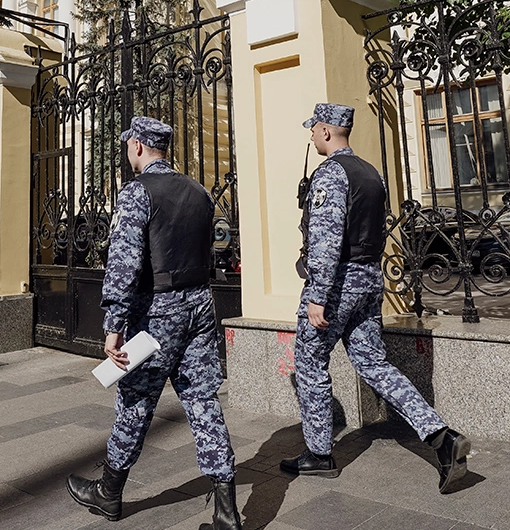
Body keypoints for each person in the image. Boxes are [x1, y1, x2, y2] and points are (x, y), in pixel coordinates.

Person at [283, 103, 471, 494]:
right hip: (369, 278)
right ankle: (441, 437)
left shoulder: (331, 173)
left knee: (310, 363)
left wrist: (318, 295)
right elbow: (380, 229)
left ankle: (319, 454)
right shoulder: (372, 173)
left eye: (313, 129)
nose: (311, 135)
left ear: (325, 131)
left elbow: (326, 240)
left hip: (337, 284)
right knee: (372, 363)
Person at [67, 116, 242, 529]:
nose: (127, 150)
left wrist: (113, 326)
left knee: (135, 402)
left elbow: (124, 265)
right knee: (203, 400)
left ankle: (109, 492)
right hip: (200, 305)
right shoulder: (199, 191)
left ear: (138, 146)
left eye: (129, 144)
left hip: (157, 312)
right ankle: (227, 510)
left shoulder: (137, 192)